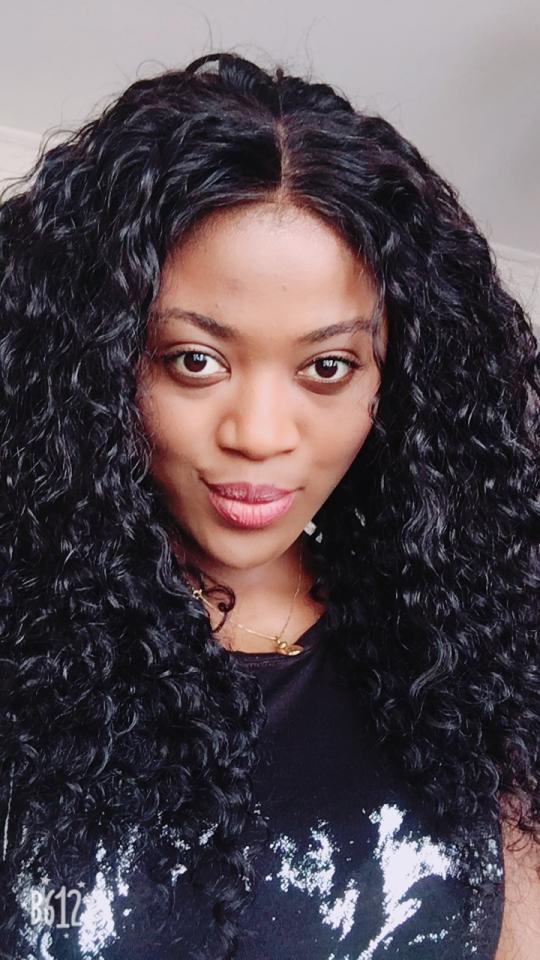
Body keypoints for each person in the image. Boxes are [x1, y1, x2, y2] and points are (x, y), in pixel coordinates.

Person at [0, 50, 538, 960]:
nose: (259, 434)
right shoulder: (22, 648)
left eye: (327, 367)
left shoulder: (479, 668)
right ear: (95, 365)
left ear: (397, 384)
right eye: (194, 360)